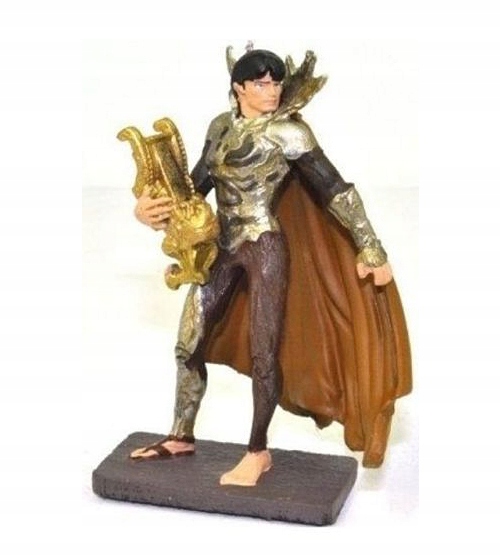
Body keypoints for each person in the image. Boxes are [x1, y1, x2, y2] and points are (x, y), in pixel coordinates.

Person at [129, 47, 412, 486]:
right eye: (261, 83)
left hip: (264, 246)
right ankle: (181, 435)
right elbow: (195, 189)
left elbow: (336, 189)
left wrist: (370, 246)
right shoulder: (220, 128)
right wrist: (150, 210)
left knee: (265, 351)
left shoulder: (289, 133)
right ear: (239, 88)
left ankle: (257, 451)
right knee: (188, 343)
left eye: (276, 82)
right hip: (222, 246)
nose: (272, 90)